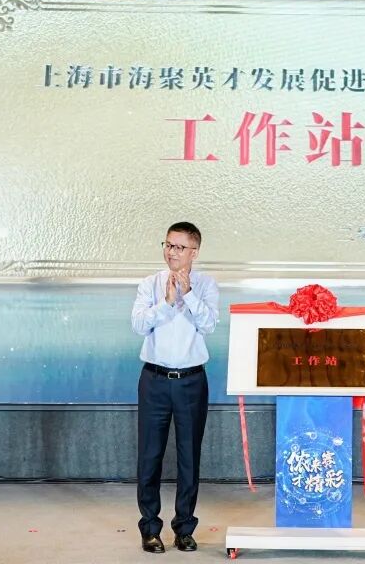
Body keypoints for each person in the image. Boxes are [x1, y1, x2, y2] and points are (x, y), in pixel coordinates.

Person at [132, 222, 219, 554]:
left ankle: (184, 528)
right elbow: (138, 324)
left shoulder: (207, 285)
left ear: (194, 252)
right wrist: (167, 302)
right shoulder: (150, 284)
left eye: (179, 247)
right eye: (168, 245)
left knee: (189, 456)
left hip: (192, 381)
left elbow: (208, 325)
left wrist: (189, 294)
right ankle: (150, 528)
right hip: (154, 380)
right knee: (149, 455)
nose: (172, 252)